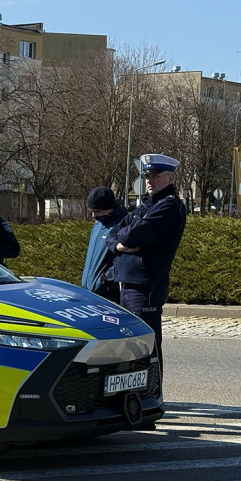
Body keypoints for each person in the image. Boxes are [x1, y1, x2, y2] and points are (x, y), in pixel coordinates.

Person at [104, 153, 187, 358]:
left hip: (145, 285)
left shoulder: (169, 206)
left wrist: (124, 237)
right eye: (148, 176)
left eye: (156, 176)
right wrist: (119, 246)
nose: (150, 180)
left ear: (170, 178)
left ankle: (152, 389)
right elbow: (113, 233)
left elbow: (131, 234)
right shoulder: (148, 204)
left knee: (145, 346)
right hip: (128, 282)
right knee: (128, 347)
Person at [80, 186, 127, 301]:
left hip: (108, 293)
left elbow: (126, 258)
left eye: (97, 212)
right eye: (91, 211)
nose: (93, 216)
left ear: (109, 208)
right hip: (89, 291)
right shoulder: (97, 225)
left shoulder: (122, 225)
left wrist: (106, 280)